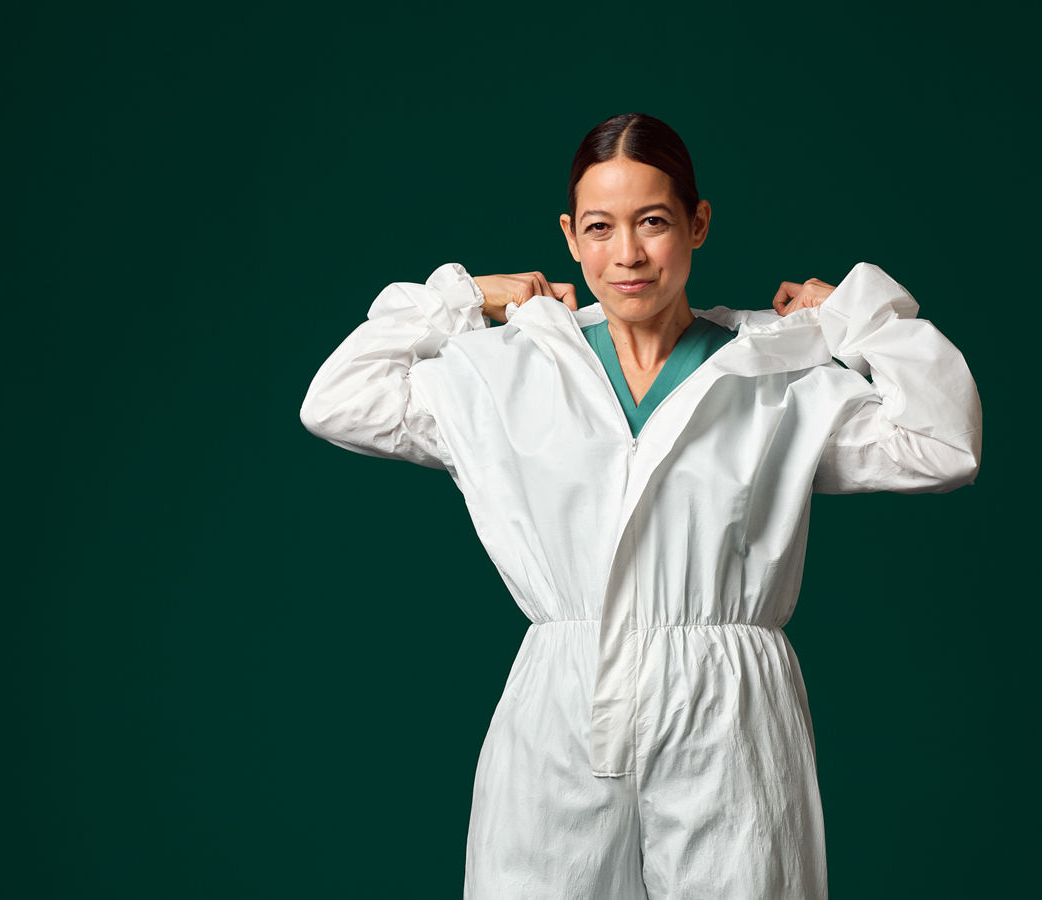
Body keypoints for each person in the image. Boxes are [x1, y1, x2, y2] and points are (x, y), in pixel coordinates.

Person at [299, 113, 981, 900]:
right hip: (565, 697)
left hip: (730, 710)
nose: (626, 254)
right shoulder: (512, 370)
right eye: (600, 227)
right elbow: (338, 401)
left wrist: (856, 314)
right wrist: (459, 298)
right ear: (569, 236)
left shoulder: (775, 373)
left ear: (697, 224)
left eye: (653, 222)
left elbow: (943, 444)